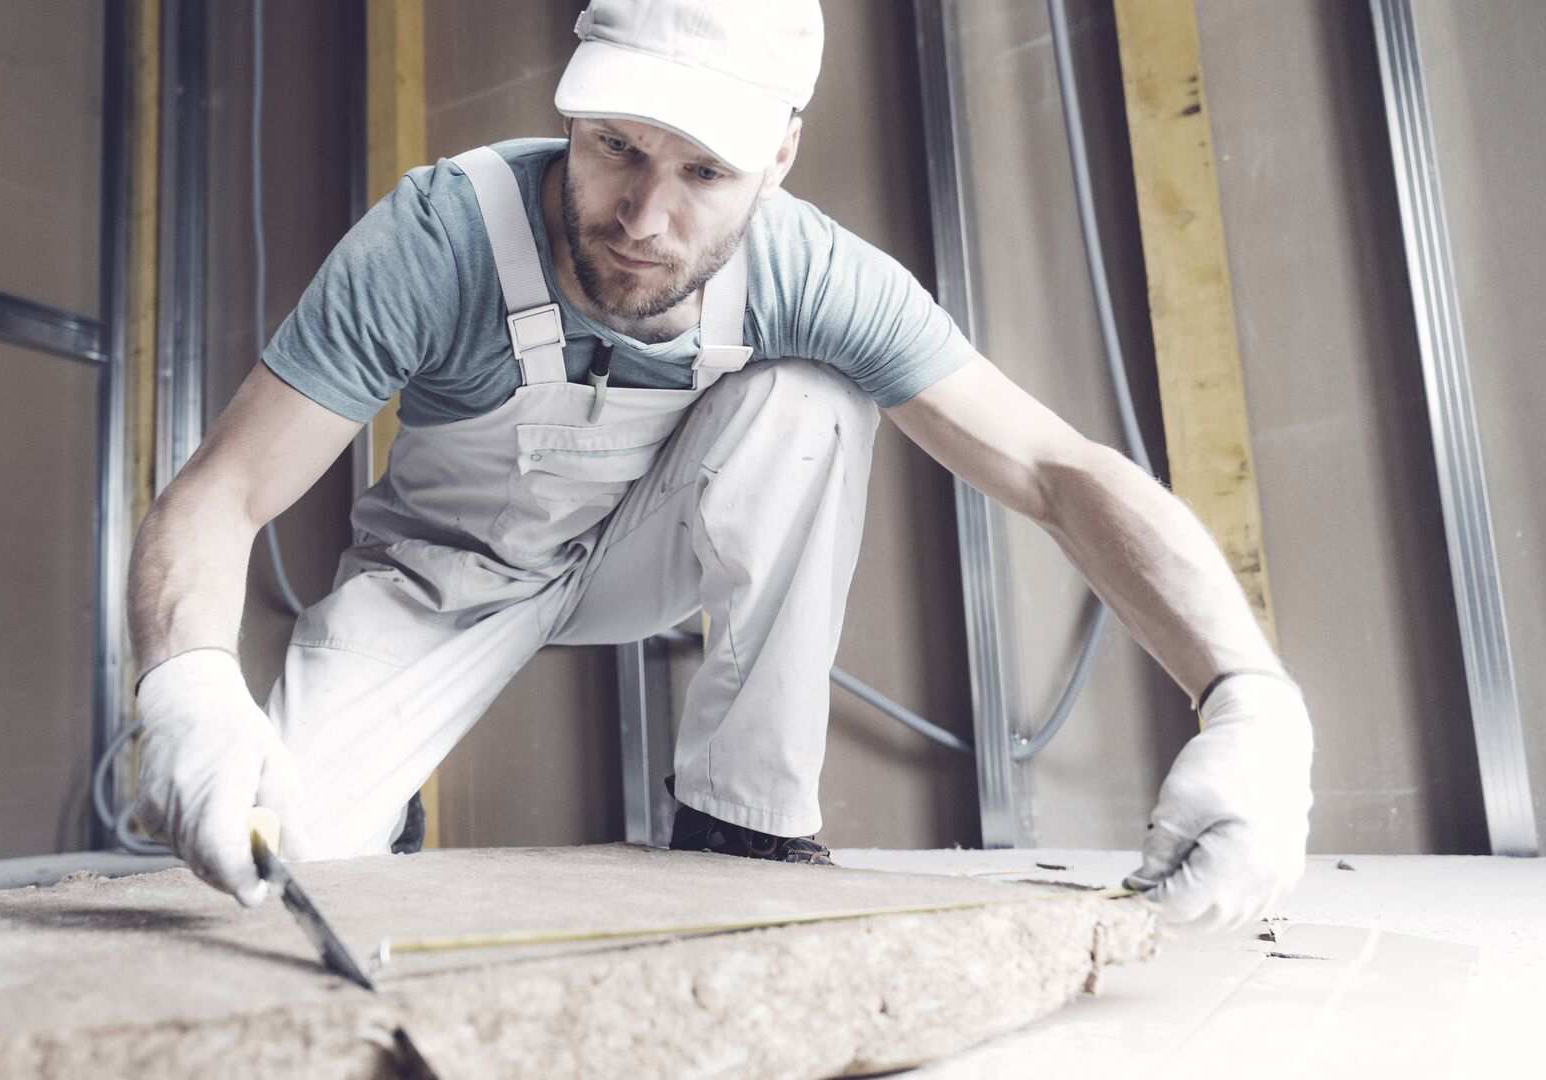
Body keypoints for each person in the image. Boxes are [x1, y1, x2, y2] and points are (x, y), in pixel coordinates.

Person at [128, 0, 1312, 932]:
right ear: (571, 107)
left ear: (781, 156)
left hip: (650, 551)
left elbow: (1057, 469)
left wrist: (1251, 704)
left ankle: (743, 824)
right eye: (617, 149)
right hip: (447, 578)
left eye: (704, 174)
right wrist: (185, 681)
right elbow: (223, 491)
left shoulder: (816, 273)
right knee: (273, 865)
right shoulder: (438, 238)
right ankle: (375, 812)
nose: (643, 216)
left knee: (808, 397)